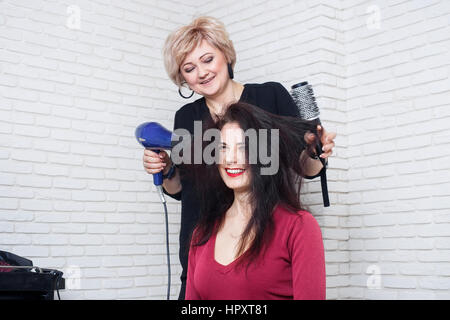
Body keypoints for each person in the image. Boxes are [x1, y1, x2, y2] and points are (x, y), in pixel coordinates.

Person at [142, 16, 335, 299]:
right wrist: (167, 169)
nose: (202, 72)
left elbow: (306, 167)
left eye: (208, 59)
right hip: (203, 255)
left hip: (264, 253)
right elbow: (183, 190)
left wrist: (315, 151)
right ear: (183, 78)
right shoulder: (187, 118)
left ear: (226, 55)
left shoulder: (270, 97)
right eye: (190, 68)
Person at [185, 102, 326, 299]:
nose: (230, 159)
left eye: (243, 147)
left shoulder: (299, 227)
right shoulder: (201, 234)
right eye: (223, 148)